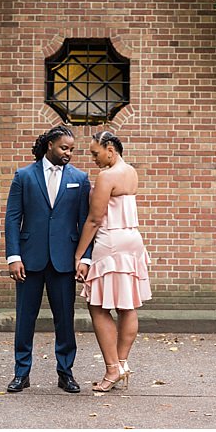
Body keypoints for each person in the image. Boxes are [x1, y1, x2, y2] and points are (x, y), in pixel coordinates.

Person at [4, 125, 92, 394]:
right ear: (50, 145)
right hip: (29, 260)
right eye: (64, 148)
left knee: (64, 319)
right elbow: (12, 218)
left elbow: (86, 223)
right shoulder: (24, 176)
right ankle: (21, 373)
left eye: (72, 150)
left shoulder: (81, 178)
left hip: (64, 261)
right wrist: (14, 256)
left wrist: (85, 259)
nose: (68, 153)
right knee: (25, 318)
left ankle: (65, 373)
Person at [74, 131, 152, 392]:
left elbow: (95, 220)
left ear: (110, 149)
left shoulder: (107, 176)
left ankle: (111, 369)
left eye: (96, 153)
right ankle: (121, 363)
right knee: (128, 306)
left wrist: (79, 254)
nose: (93, 159)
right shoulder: (131, 171)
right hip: (133, 241)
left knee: (97, 306)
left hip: (112, 242)